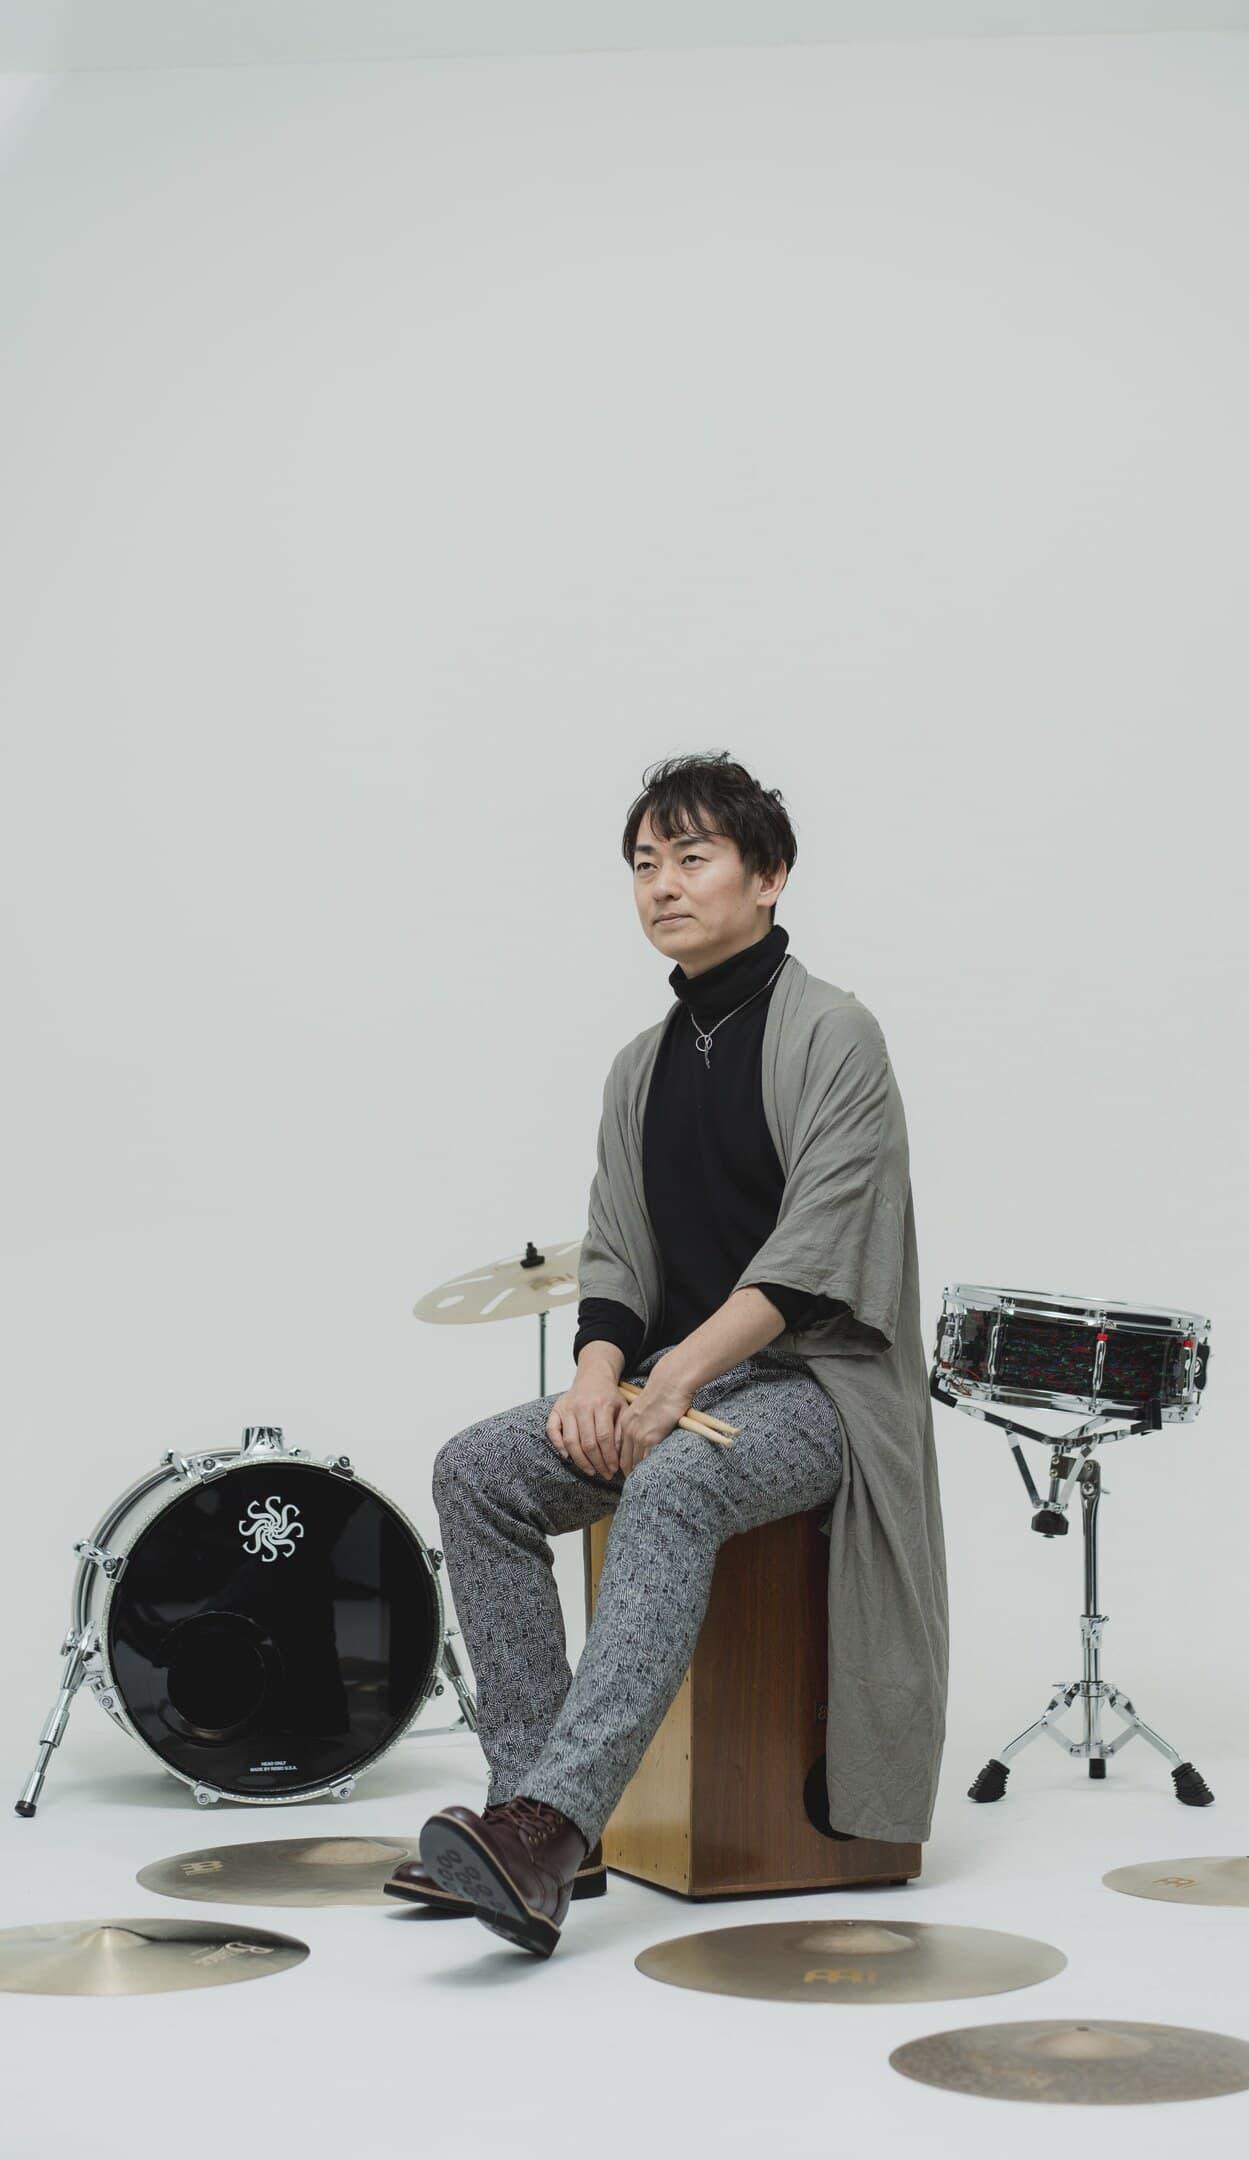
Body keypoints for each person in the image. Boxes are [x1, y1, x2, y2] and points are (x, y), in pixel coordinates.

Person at [390, 752, 949, 1957]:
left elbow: (812, 1254)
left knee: (679, 1478)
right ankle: (527, 1817)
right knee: (478, 1470)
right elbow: (618, 1255)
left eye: (694, 858)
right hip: (670, 1382)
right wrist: (599, 1376)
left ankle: (552, 1825)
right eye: (645, 863)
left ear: (771, 875)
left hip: (819, 1388)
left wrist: (677, 1379)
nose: (663, 885)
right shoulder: (637, 1066)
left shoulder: (837, 1034)